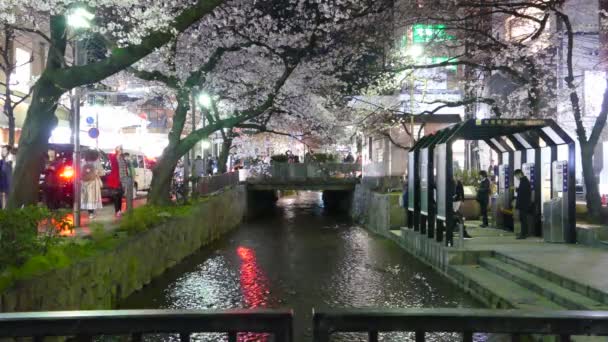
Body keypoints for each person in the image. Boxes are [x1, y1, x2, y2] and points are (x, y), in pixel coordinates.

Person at [81, 150, 104, 219]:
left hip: (85, 182)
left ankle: (89, 211)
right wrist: (97, 173)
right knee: (92, 197)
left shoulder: (84, 162)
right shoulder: (97, 162)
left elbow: (80, 171)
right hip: (94, 182)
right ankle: (91, 213)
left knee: (87, 197)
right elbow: (102, 173)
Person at [514, 169, 532, 239]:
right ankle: (524, 233)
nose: (516, 178)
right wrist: (517, 189)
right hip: (524, 203)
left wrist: (517, 189)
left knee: (523, 219)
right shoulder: (524, 181)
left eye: (516, 176)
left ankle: (524, 234)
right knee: (523, 219)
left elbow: (523, 192)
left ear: (519, 174)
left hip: (523, 204)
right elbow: (523, 190)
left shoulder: (524, 181)